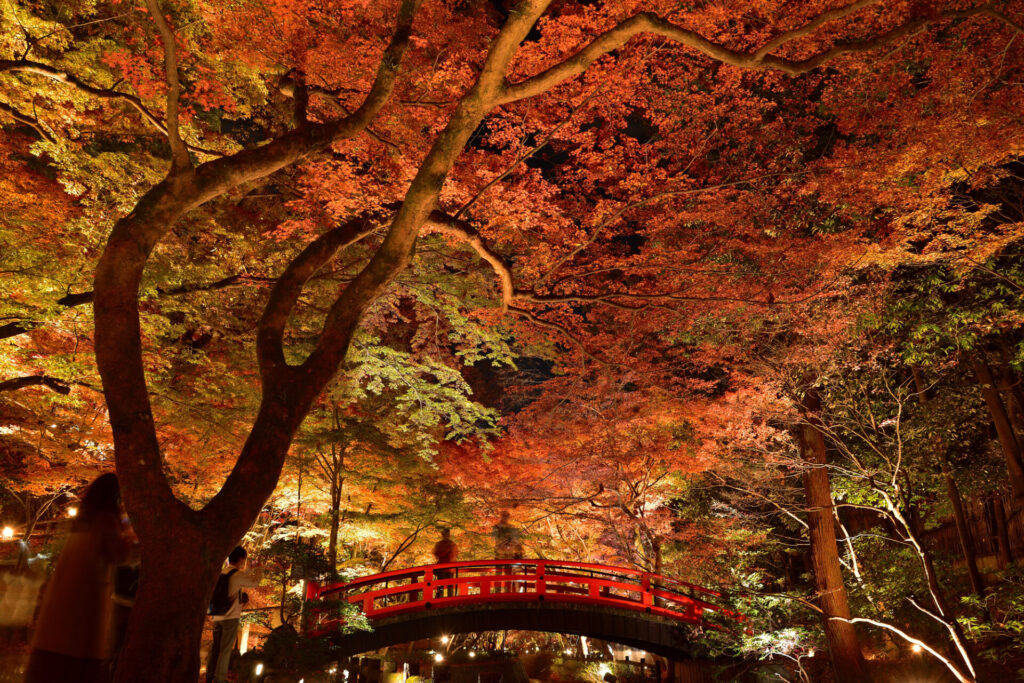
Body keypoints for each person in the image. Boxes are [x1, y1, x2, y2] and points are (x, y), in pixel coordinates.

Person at [25, 472, 137, 683]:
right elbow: (122, 555)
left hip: (57, 619)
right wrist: (133, 536)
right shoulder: (106, 522)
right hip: (84, 613)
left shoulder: (80, 522)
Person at [206, 546, 262, 683]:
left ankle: (210, 675)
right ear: (241, 559)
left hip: (217, 616)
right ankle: (219, 679)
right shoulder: (237, 575)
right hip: (230, 618)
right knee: (225, 651)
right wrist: (259, 568)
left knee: (215, 648)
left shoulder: (221, 573)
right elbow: (255, 581)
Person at [491, 511, 523, 592]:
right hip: (500, 554)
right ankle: (498, 592)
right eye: (503, 516)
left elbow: (516, 542)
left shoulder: (511, 528)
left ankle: (507, 592)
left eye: (506, 516)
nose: (504, 518)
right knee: (498, 575)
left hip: (508, 555)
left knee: (507, 575)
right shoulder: (497, 527)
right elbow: (493, 539)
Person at [432, 528, 458, 598]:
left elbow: (436, 553)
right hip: (447, 568)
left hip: (443, 567)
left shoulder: (439, 544)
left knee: (442, 584)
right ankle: (449, 598)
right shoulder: (452, 544)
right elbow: (455, 555)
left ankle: (442, 597)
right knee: (448, 585)